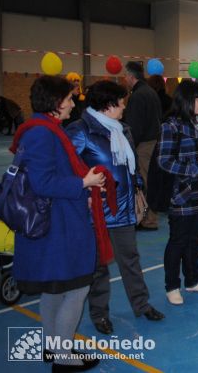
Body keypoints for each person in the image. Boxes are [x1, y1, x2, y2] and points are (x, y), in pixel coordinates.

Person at [12, 75, 106, 372]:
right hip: (58, 226)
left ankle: (52, 346)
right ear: (55, 103)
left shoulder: (46, 129)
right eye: (68, 98)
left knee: (53, 289)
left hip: (60, 218)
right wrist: (83, 182)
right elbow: (42, 182)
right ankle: (63, 356)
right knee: (75, 289)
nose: (72, 102)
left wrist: (83, 189)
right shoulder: (42, 133)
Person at [66, 80, 164, 334]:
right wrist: (83, 189)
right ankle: (99, 314)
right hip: (94, 212)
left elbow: (129, 167)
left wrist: (138, 186)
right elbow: (67, 168)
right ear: (108, 105)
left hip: (123, 210)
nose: (124, 107)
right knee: (98, 267)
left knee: (130, 259)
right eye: (121, 103)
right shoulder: (80, 131)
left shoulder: (123, 130)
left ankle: (141, 305)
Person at [158, 80, 198, 305]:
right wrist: (195, 168)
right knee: (178, 241)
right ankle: (172, 286)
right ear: (186, 100)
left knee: (194, 239)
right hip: (182, 193)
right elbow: (164, 161)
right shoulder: (170, 126)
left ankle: (193, 280)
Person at [123, 61, 163, 231]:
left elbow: (134, 126)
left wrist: (129, 147)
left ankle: (148, 219)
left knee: (145, 182)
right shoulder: (150, 92)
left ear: (131, 76)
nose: (124, 79)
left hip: (144, 145)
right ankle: (147, 218)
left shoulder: (138, 95)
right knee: (150, 181)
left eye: (125, 76)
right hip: (153, 142)